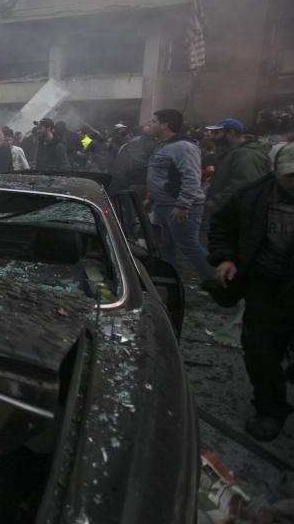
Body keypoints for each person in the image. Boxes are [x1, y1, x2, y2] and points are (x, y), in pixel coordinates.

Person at [208, 143, 294, 441]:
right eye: (290, 177)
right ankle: (270, 409)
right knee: (259, 349)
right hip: (264, 286)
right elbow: (222, 225)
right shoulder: (254, 195)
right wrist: (227, 257)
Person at [145, 109, 216, 282]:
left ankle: (219, 280)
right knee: (165, 245)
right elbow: (162, 175)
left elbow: (192, 177)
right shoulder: (163, 145)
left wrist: (183, 205)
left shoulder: (184, 146)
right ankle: (168, 280)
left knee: (188, 245)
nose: (150, 124)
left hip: (178, 206)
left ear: (165, 125)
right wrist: (151, 197)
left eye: (154, 121)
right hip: (162, 204)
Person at [205, 118, 270, 217]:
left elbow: (243, 185)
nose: (212, 136)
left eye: (216, 132)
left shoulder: (246, 154)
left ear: (231, 132)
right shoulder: (231, 152)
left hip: (235, 216)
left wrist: (214, 202)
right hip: (227, 213)